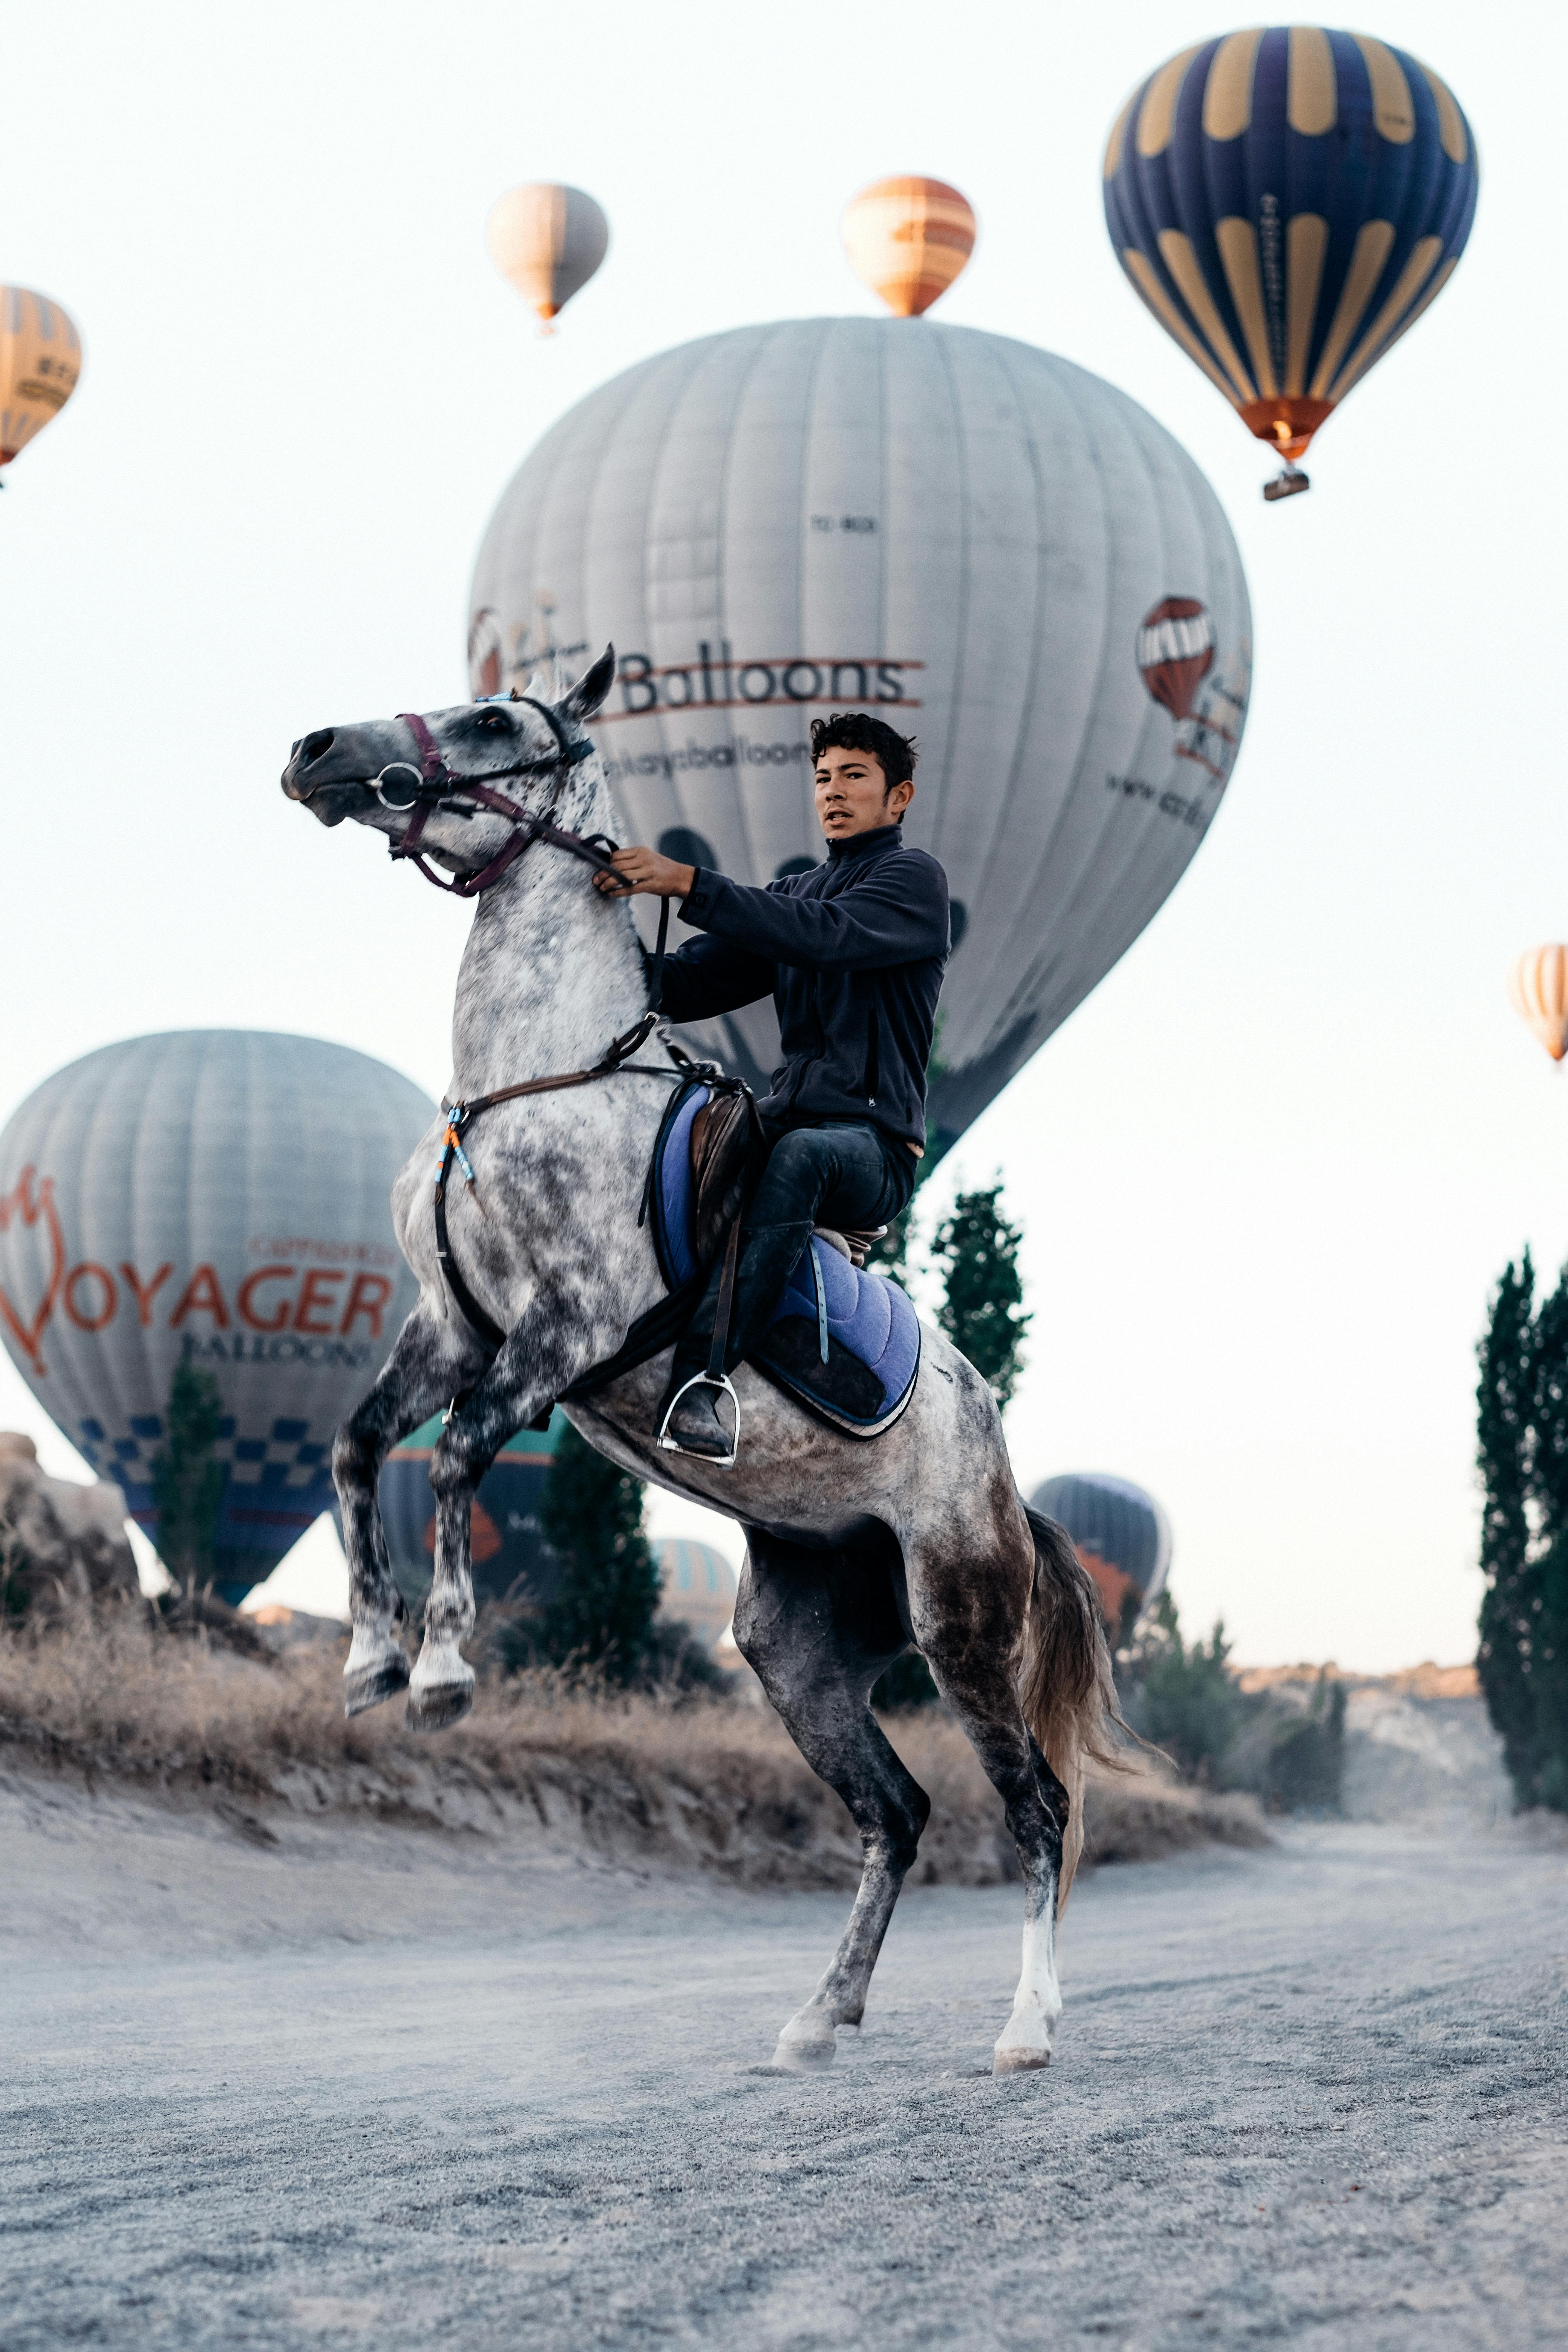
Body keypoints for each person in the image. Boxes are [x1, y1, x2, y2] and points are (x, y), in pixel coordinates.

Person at [593, 711, 949, 1460]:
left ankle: (702, 1381)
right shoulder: (795, 892)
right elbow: (687, 984)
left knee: (802, 1158)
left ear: (899, 797)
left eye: (854, 776)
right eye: (823, 778)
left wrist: (686, 881)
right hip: (783, 1121)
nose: (833, 791)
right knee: (669, 1142)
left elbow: (823, 936)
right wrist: (589, 936)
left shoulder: (911, 882)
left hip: (871, 1153)